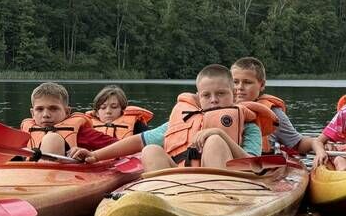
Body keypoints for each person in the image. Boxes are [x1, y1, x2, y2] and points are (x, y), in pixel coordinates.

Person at [70, 65, 277, 171]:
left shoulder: (248, 125)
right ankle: (159, 200)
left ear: (233, 94)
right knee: (150, 150)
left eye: (221, 94)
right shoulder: (186, 119)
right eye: (207, 95)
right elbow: (139, 141)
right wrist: (95, 156)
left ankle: (218, 199)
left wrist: (219, 134)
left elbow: (252, 164)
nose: (214, 100)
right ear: (199, 96)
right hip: (178, 184)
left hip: (224, 184)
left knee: (214, 140)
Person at [231, 57, 314, 155]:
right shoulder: (220, 106)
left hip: (259, 162)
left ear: (262, 85)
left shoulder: (273, 113)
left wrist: (317, 144)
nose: (240, 87)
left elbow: (298, 143)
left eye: (247, 82)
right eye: (235, 82)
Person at [20, 82, 117, 157]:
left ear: (67, 112)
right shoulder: (24, 133)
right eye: (40, 109)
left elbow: (117, 146)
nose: (46, 115)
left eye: (53, 109)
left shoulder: (83, 133)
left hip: (65, 174)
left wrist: (91, 154)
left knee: (52, 139)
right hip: (27, 173)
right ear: (32, 113)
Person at [86, 85, 153, 139]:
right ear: (97, 113)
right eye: (103, 107)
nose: (108, 111)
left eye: (114, 107)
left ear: (123, 110)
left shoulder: (137, 126)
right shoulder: (87, 127)